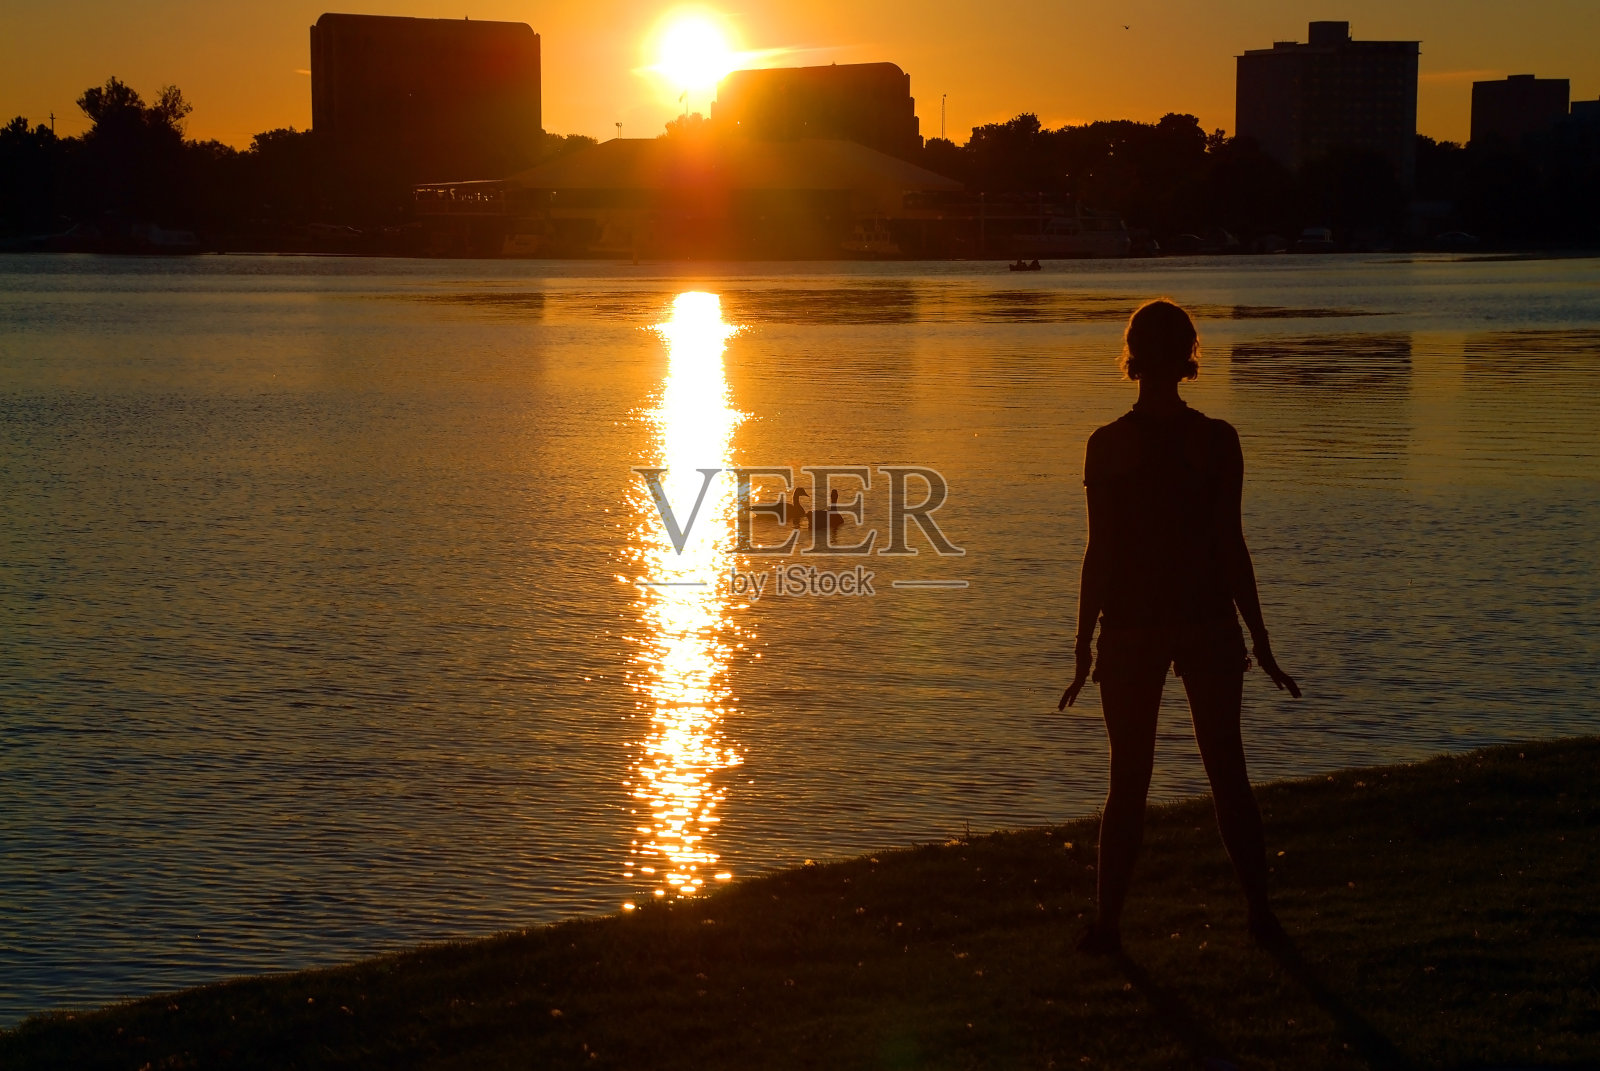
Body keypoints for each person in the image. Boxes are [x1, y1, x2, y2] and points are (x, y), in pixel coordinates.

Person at [1058, 298, 1301, 955]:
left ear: (1133, 356)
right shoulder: (1217, 441)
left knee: (1128, 779)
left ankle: (1108, 927)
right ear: (1191, 353)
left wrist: (1082, 645)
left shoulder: (1107, 445)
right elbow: (1231, 544)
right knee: (1228, 770)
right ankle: (1261, 914)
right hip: (1205, 621)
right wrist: (1261, 637)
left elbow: (1100, 553)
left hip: (1135, 626)